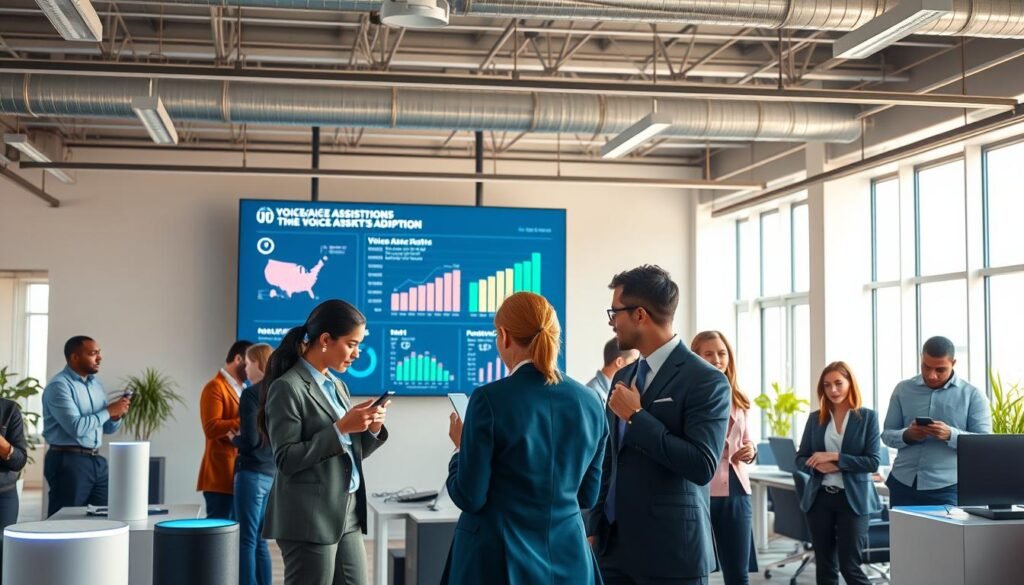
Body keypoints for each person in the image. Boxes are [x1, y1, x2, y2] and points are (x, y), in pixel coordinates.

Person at [442, 292, 608, 585]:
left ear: (504, 336)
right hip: (570, 560)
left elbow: (469, 496)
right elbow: (587, 496)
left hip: (500, 562)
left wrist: (459, 449)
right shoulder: (591, 401)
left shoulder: (488, 400)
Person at [588, 265, 731, 585]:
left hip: (671, 551)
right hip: (614, 550)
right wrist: (594, 526)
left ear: (640, 314)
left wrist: (638, 418)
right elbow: (610, 457)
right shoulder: (623, 376)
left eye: (616, 313)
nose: (612, 323)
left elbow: (701, 464)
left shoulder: (707, 380)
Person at [261, 300, 389, 585]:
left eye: (359, 346)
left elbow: (346, 455)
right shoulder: (287, 387)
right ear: (325, 340)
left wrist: (371, 428)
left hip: (346, 511)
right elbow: (286, 459)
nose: (356, 354)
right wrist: (341, 427)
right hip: (309, 517)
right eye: (351, 344)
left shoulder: (338, 386)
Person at [796, 361, 881, 585]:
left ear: (850, 383)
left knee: (849, 566)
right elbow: (800, 458)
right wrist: (817, 464)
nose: (833, 390)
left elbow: (872, 462)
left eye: (838, 383)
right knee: (824, 566)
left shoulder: (867, 417)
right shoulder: (816, 418)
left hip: (853, 501)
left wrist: (835, 458)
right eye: (827, 385)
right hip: (820, 498)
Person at [882, 336, 991, 506]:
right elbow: (887, 434)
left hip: (947, 488)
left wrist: (950, 435)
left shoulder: (973, 395)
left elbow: (984, 444)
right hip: (902, 483)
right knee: (902, 534)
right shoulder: (903, 390)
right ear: (921, 359)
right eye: (926, 367)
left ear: (953, 363)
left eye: (940, 369)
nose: (932, 375)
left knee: (944, 534)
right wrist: (907, 435)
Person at [690, 330, 758, 585]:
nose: (717, 359)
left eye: (721, 353)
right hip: (701, 489)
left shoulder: (738, 396)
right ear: (695, 356)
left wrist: (751, 450)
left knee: (737, 572)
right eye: (708, 354)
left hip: (737, 490)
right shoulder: (690, 394)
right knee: (698, 569)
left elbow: (746, 438)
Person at [42, 336, 131, 517]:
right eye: (93, 353)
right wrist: (108, 411)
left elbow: (106, 428)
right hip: (68, 460)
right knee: (65, 519)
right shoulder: (59, 386)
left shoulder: (95, 385)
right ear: (74, 357)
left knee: (102, 517)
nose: (99, 358)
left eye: (99, 353)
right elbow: (77, 427)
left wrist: (116, 416)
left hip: (96, 460)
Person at [233, 343, 275, 585]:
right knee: (261, 541)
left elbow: (251, 440)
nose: (245, 369)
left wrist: (233, 439)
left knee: (246, 541)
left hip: (251, 474)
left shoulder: (250, 394)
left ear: (258, 363)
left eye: (247, 363)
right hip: (272, 474)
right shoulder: (279, 390)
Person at [197, 339, 252, 519]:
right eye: (249, 361)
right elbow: (211, 427)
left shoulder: (243, 389)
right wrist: (247, 419)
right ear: (238, 359)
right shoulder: (215, 387)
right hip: (220, 475)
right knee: (218, 537)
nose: (252, 366)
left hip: (240, 473)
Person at [0, 393, 29, 582]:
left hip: (3, 496)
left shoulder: (9, 410)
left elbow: (19, 460)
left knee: (3, 555)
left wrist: (2, 445)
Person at [586, 338, 640, 404]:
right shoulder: (592, 393)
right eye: (633, 361)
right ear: (619, 362)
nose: (637, 366)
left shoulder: (618, 389)